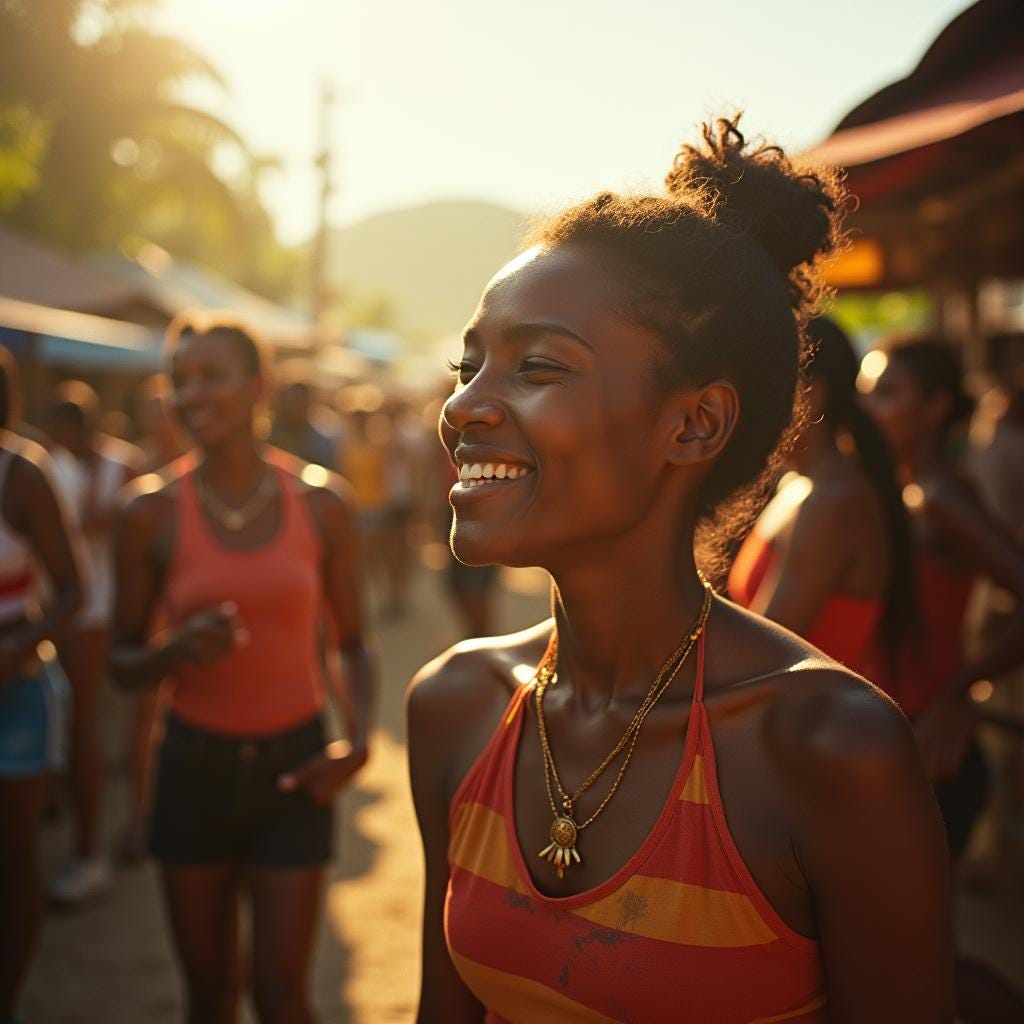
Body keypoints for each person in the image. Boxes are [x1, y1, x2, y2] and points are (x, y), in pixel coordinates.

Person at [408, 118, 953, 1023]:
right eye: (470, 366)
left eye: (536, 366)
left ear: (694, 424)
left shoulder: (829, 749)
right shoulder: (456, 705)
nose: (463, 406)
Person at [109, 311, 376, 1024]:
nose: (191, 396)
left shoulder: (323, 506)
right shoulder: (148, 514)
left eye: (212, 377)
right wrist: (173, 651)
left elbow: (353, 642)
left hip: (294, 766)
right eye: (179, 381)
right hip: (191, 770)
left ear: (258, 386)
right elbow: (121, 664)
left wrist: (358, 744)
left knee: (283, 996)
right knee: (209, 997)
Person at [865, 336, 1024, 1021]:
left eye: (888, 392)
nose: (869, 406)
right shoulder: (896, 488)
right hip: (897, 746)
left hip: (936, 759)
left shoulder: (940, 495)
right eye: (868, 389)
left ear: (934, 409)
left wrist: (961, 690)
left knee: (913, 965)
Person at [729, 316, 918, 674]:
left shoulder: (836, 500)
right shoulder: (800, 484)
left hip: (812, 724)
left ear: (810, 395)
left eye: (761, 389)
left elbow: (759, 651)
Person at [0, 347, 82, 1023]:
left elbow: (73, 590)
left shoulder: (22, 475)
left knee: (14, 854)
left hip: (17, 694)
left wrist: (16, 648)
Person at [45, 380, 142, 904]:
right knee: (84, 727)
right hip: (79, 614)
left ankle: (125, 828)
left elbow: (116, 526)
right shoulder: (55, 467)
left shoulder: (119, 466)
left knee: (109, 726)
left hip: (102, 610)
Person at [119, 373, 190, 863]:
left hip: (189, 609)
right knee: (145, 714)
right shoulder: (137, 471)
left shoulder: (203, 470)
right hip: (151, 613)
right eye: (152, 409)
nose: (158, 418)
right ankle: (142, 816)